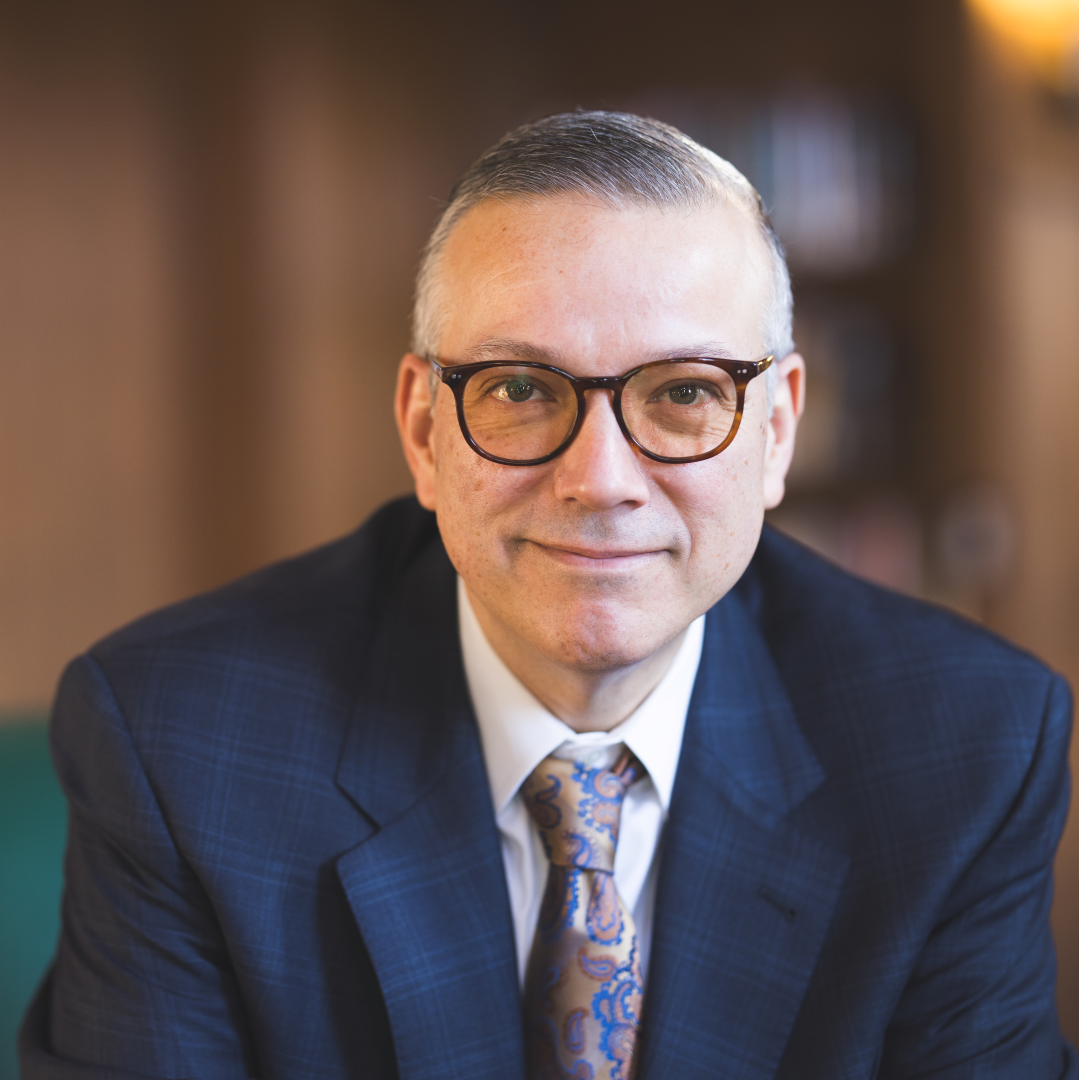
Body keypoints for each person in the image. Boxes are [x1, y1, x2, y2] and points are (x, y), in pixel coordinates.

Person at [20, 111, 1076, 1080]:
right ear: (425, 432)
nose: (600, 479)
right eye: (522, 391)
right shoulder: (175, 739)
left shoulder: (965, 747)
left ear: (776, 431)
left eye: (682, 395)